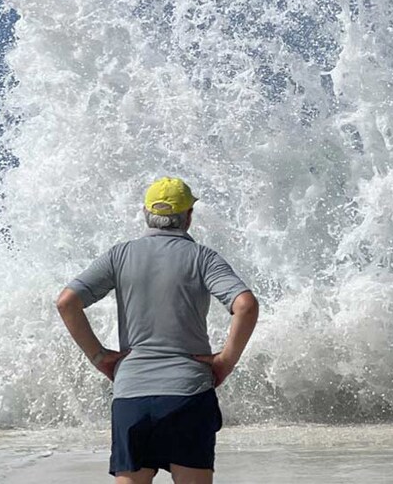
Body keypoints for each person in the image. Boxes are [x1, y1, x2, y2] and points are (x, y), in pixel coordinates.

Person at [56, 176, 259, 484]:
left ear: (145, 213)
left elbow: (66, 302)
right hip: (188, 394)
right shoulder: (202, 257)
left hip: (131, 396)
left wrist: (99, 357)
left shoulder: (119, 255)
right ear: (188, 216)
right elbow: (245, 306)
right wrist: (225, 361)